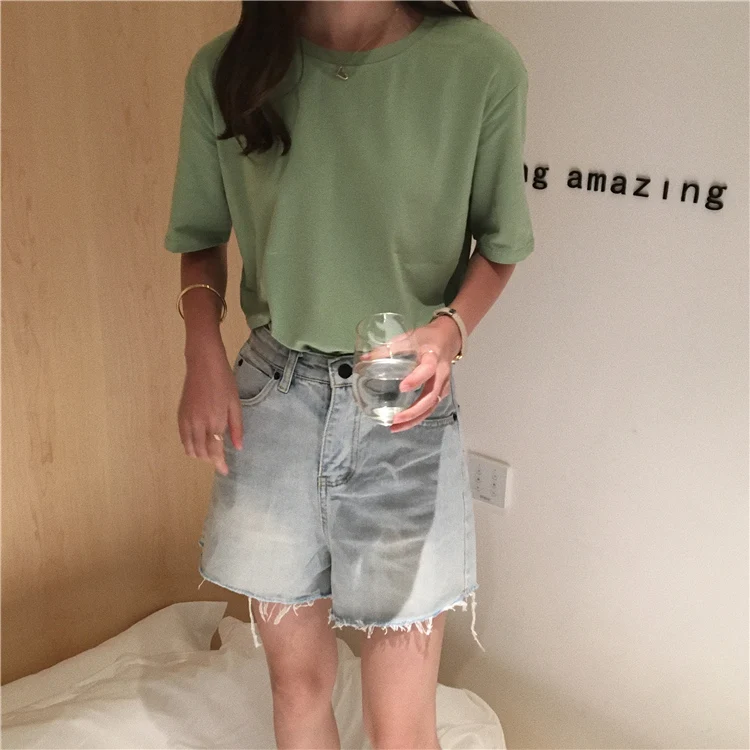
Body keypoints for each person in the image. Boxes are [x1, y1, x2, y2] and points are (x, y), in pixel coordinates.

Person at [164, 1, 534, 747]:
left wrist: (449, 331)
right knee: (296, 684)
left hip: (403, 402)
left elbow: (501, 242)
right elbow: (200, 236)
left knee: (403, 721)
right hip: (272, 400)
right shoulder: (228, 69)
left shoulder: (479, 66)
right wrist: (201, 349)